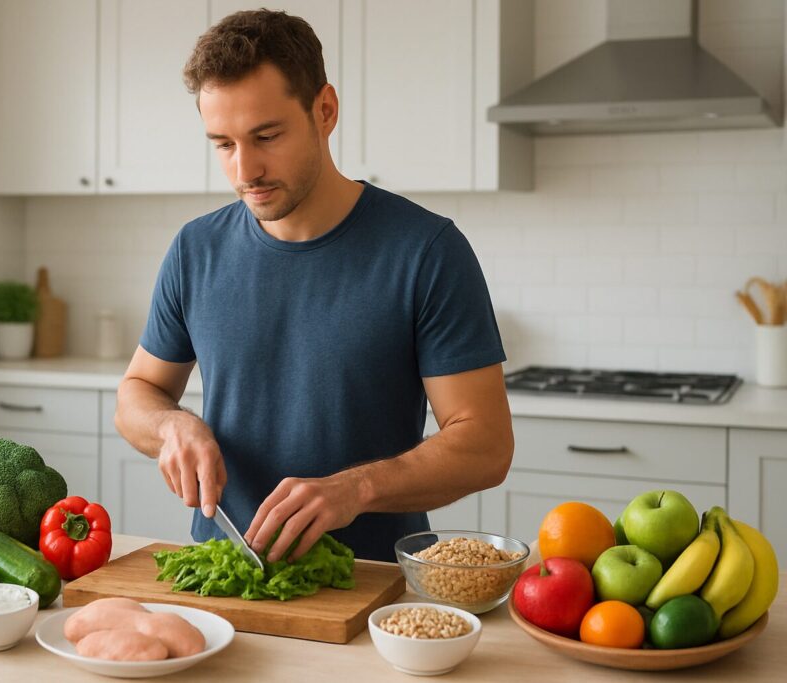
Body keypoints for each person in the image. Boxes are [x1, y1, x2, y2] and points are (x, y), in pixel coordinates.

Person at [115, 9, 513, 563]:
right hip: (224, 571)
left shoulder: (426, 251)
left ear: (325, 111)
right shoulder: (195, 249)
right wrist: (172, 425)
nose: (244, 170)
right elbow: (137, 393)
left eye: (266, 135)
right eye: (223, 144)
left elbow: (486, 446)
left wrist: (357, 488)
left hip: (375, 587)